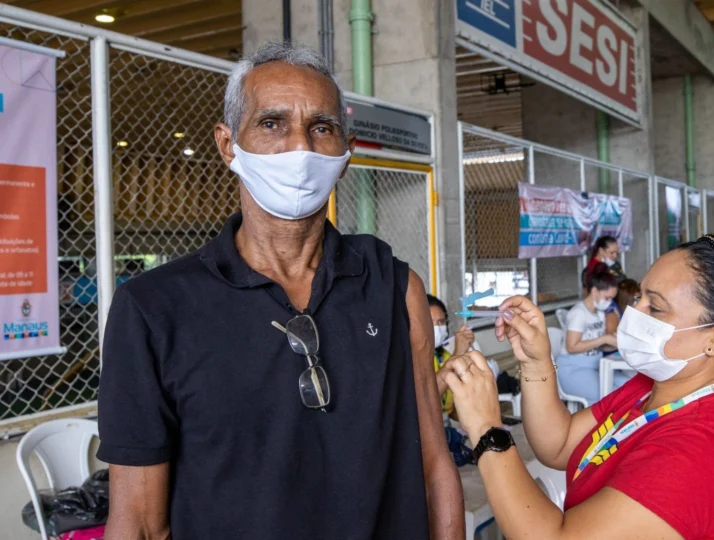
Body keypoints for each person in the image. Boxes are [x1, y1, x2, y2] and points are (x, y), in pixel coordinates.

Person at [96, 43, 463, 539]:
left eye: (321, 127)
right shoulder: (154, 308)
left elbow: (434, 465)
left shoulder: (394, 287)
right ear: (229, 145)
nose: (300, 148)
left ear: (345, 152)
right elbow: (138, 521)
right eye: (272, 124)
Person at [438, 233, 714, 539]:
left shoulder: (700, 451)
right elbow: (561, 443)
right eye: (639, 297)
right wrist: (536, 361)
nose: (633, 313)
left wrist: (487, 429)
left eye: (656, 308)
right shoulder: (657, 385)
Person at [557, 264, 625, 404]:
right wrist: (604, 338)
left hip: (594, 366)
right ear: (594, 291)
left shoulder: (599, 314)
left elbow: (597, 346)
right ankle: (598, 425)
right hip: (573, 369)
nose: (610, 302)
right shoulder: (578, 313)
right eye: (607, 298)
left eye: (612, 298)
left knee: (628, 385)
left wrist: (617, 344)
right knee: (607, 394)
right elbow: (572, 347)